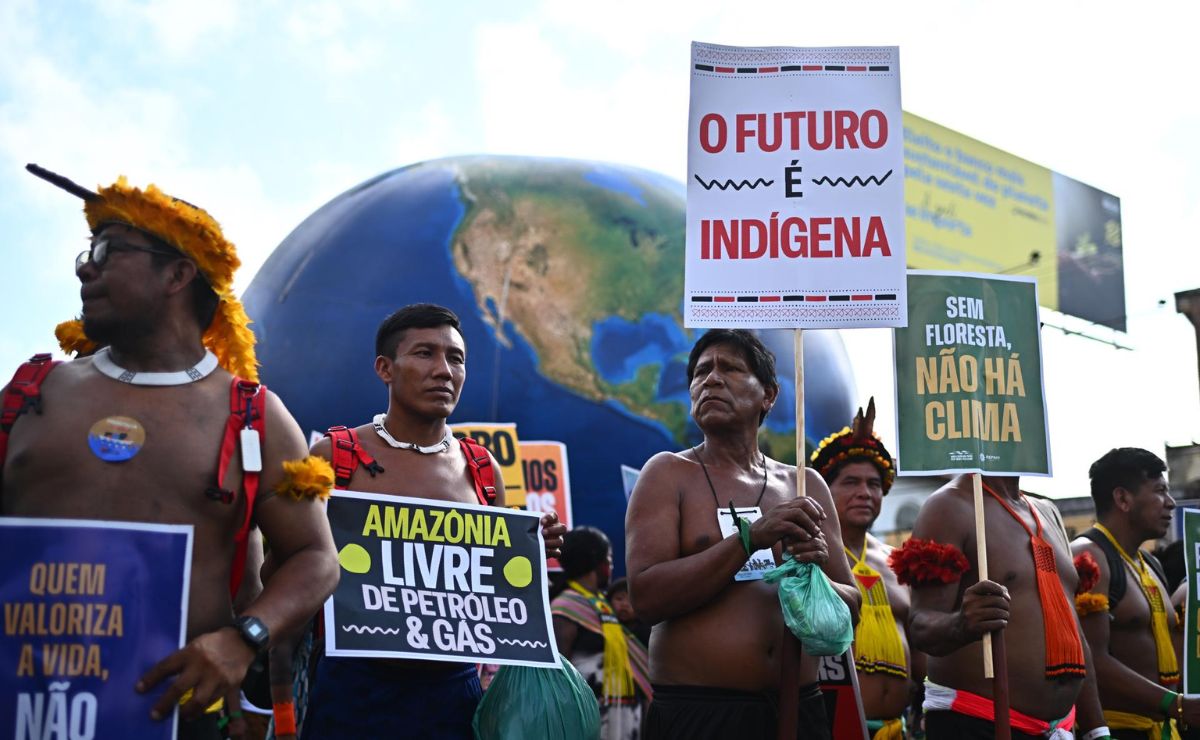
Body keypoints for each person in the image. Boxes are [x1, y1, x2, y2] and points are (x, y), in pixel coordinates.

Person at [1, 168, 340, 740]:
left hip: (180, 720)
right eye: (88, 251)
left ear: (178, 273)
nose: (86, 267)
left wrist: (243, 639)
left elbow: (315, 558)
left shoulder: (252, 414)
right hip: (22, 710)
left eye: (108, 251)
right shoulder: (32, 393)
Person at [299, 303, 566, 740]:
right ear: (385, 368)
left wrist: (531, 549)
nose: (444, 370)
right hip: (351, 690)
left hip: (452, 695)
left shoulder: (482, 469)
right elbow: (291, 567)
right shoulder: (334, 457)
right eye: (425, 353)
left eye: (455, 358)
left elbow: (493, 589)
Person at [625, 328, 859, 740]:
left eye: (730, 368)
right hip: (701, 714)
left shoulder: (806, 485)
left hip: (798, 708)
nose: (710, 380)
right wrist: (750, 538)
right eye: (700, 373)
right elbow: (646, 597)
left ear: (768, 395)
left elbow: (852, 608)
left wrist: (814, 571)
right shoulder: (667, 474)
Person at [899, 474, 1104, 739]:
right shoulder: (949, 504)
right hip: (975, 723)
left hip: (1062, 728)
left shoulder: (1047, 511)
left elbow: (1074, 633)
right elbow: (920, 625)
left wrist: (1096, 729)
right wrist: (961, 624)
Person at [812, 398, 923, 739]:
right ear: (825, 490)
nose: (864, 493)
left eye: (874, 484)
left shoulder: (897, 561)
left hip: (896, 730)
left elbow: (920, 654)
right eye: (850, 482)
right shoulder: (810, 553)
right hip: (830, 726)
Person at [1071, 448, 1198, 738]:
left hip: (1164, 728)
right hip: (1116, 731)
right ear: (1123, 499)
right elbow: (1089, 658)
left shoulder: (1150, 563)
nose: (1170, 503)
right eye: (1159, 491)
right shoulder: (1088, 557)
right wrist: (1173, 703)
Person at [551, 527, 652, 740]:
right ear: (598, 563)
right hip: (591, 719)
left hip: (625, 717)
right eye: (609, 559)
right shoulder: (564, 607)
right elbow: (557, 675)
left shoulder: (603, 604)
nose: (611, 566)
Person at [607, 577, 652, 648]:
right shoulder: (602, 626)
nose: (624, 604)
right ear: (608, 602)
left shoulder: (647, 634)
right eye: (619, 599)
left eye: (631, 601)